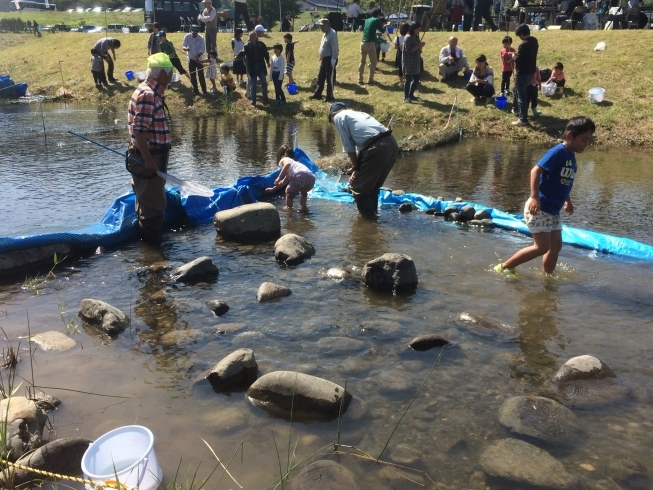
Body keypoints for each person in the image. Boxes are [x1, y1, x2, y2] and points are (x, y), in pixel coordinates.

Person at [495, 116, 596, 274]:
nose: (586, 144)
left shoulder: (571, 156)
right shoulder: (557, 152)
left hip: (553, 210)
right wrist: (534, 197)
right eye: (584, 140)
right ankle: (504, 267)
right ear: (569, 136)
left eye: (589, 140)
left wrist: (567, 200)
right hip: (540, 207)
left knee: (556, 246)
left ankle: (547, 276)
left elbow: (564, 181)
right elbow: (535, 170)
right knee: (542, 247)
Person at [126, 53, 175, 242]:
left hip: (154, 156)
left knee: (149, 202)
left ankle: (149, 253)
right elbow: (139, 131)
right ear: (162, 73)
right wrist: (148, 160)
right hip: (149, 158)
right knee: (153, 207)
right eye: (170, 72)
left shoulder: (152, 92)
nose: (172, 76)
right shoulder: (147, 95)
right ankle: (151, 254)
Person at [329, 102, 399, 217]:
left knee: (359, 189)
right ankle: (374, 217)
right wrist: (356, 168)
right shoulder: (358, 114)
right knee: (372, 187)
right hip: (391, 144)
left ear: (332, 115)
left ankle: (367, 224)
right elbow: (363, 151)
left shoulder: (338, 117)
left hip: (377, 148)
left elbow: (349, 147)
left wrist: (357, 167)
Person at [265, 145, 316, 211]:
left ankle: (289, 210)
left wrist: (279, 178)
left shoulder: (284, 159)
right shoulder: (294, 166)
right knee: (304, 192)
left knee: (288, 191)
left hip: (300, 176)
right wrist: (273, 189)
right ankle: (303, 208)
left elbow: (287, 164)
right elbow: (285, 181)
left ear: (281, 155)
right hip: (311, 179)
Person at [511, 24, 538, 126]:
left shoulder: (523, 45)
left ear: (522, 33)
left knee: (522, 97)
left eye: (519, 35)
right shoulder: (534, 42)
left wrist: (513, 55)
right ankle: (516, 110)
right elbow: (525, 57)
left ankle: (523, 119)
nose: (520, 38)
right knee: (518, 92)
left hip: (522, 73)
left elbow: (518, 60)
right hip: (531, 72)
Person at [236, 30, 270, 107]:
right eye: (250, 37)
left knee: (264, 82)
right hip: (252, 67)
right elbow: (242, 53)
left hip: (261, 66)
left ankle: (265, 98)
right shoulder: (247, 46)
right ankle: (253, 102)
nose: (252, 39)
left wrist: (267, 62)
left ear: (256, 37)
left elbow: (266, 54)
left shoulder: (261, 45)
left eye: (253, 37)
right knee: (253, 85)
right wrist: (237, 57)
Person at [309, 18, 339, 102]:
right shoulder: (325, 33)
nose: (321, 28)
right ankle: (318, 94)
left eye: (322, 26)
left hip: (330, 59)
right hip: (324, 59)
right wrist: (321, 56)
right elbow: (324, 46)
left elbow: (334, 47)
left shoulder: (332, 33)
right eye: (320, 26)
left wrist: (334, 58)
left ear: (327, 25)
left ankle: (330, 96)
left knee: (329, 78)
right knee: (321, 77)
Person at [358, 8, 387, 85]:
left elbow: (368, 31)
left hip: (363, 42)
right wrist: (386, 25)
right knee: (373, 62)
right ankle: (370, 80)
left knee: (362, 62)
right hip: (370, 44)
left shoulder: (367, 20)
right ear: (378, 14)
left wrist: (376, 34)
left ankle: (360, 79)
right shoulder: (376, 20)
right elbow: (383, 30)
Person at [402, 22, 425, 103]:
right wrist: (418, 46)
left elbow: (418, 48)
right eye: (418, 30)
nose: (418, 32)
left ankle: (411, 94)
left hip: (416, 61)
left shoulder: (416, 37)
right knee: (408, 79)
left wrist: (420, 47)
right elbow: (408, 50)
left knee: (416, 79)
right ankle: (406, 97)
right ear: (414, 29)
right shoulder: (408, 37)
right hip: (409, 61)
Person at [182, 25, 207, 96]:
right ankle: (195, 90)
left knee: (200, 75)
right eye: (193, 33)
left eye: (195, 33)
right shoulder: (187, 36)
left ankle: (204, 90)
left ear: (197, 32)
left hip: (199, 59)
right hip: (191, 59)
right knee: (192, 75)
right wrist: (186, 49)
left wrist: (198, 56)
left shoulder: (201, 38)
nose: (194, 35)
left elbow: (203, 49)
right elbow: (183, 46)